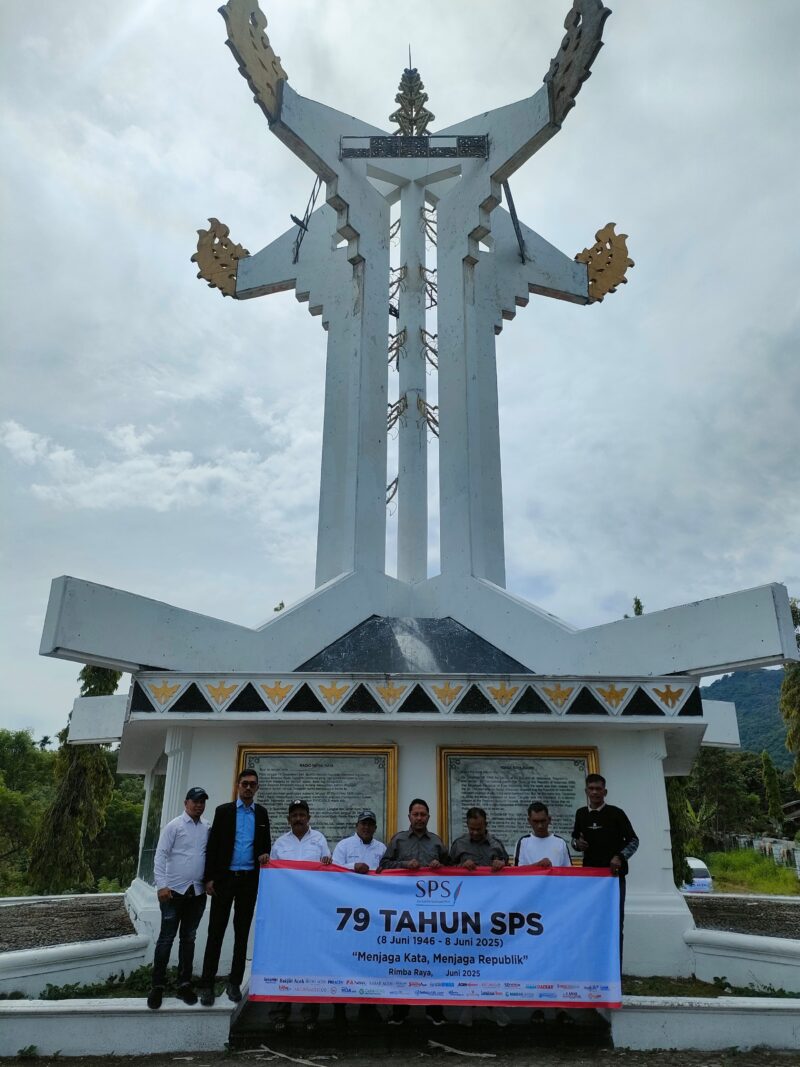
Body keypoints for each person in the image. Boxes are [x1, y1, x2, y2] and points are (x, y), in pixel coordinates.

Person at [199, 769, 271, 1006]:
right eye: (245, 784)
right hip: (224, 878)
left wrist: (264, 855)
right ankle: (207, 985)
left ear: (257, 788)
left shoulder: (261, 814)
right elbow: (213, 846)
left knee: (242, 934)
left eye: (252, 784)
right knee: (215, 932)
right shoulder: (224, 811)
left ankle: (234, 983)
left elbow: (265, 845)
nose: (248, 788)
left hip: (248, 880)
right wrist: (209, 878)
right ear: (238, 786)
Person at [379, 798, 450, 1025]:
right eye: (415, 814)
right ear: (409, 817)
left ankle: (434, 1009)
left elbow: (453, 871)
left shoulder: (437, 842)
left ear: (428, 817)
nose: (419, 818)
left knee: (433, 960)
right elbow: (383, 865)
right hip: (404, 912)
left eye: (423, 814)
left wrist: (441, 867)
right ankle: (400, 1011)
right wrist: (403, 865)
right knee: (404, 961)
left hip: (432, 913)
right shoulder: (398, 840)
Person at [268, 799, 332, 1032]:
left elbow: (327, 868)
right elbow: (272, 874)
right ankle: (279, 1014)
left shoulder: (319, 840)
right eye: (294, 814)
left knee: (310, 961)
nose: (298, 818)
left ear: (309, 817)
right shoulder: (280, 842)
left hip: (311, 910)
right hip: (286, 910)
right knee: (283, 961)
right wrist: (266, 862)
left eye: (302, 814)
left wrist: (327, 861)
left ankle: (309, 1015)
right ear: (288, 819)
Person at [147, 786, 210, 1009]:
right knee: (166, 939)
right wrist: (161, 885)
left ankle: (184, 984)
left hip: (197, 892)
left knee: (189, 938)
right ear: (186, 803)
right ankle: (157, 985)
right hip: (173, 892)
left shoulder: (206, 828)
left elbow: (208, 857)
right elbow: (161, 855)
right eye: (195, 801)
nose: (199, 805)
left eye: (202, 801)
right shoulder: (174, 826)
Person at [449, 807, 509, 1029]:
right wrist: (459, 867)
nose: (475, 832)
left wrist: (501, 865)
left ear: (486, 824)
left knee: (493, 960)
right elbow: (446, 871)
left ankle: (495, 1006)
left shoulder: (496, 844)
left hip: (493, 912)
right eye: (471, 829)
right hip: (467, 912)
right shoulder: (459, 845)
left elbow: (511, 873)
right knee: (469, 960)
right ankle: (468, 1006)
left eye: (479, 828)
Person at [571, 773, 638, 961]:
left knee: (615, 922)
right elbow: (575, 840)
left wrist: (620, 857)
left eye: (598, 789)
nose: (594, 792)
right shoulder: (581, 814)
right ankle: (593, 964)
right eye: (591, 789)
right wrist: (577, 844)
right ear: (586, 791)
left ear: (605, 791)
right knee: (592, 921)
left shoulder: (616, 813)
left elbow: (634, 841)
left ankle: (615, 967)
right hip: (590, 878)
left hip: (613, 877)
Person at [331, 810, 386, 1026]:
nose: (366, 827)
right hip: (347, 909)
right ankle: (339, 1010)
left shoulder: (381, 848)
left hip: (372, 912)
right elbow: (333, 869)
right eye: (363, 824)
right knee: (343, 959)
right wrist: (353, 867)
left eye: (370, 824)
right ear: (357, 825)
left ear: (374, 827)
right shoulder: (344, 846)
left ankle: (368, 1008)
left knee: (370, 960)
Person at [514, 802, 572, 868]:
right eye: (535, 821)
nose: (540, 826)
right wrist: (538, 866)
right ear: (529, 821)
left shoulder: (561, 842)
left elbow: (568, 871)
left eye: (543, 821)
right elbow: (517, 872)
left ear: (549, 820)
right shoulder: (522, 842)